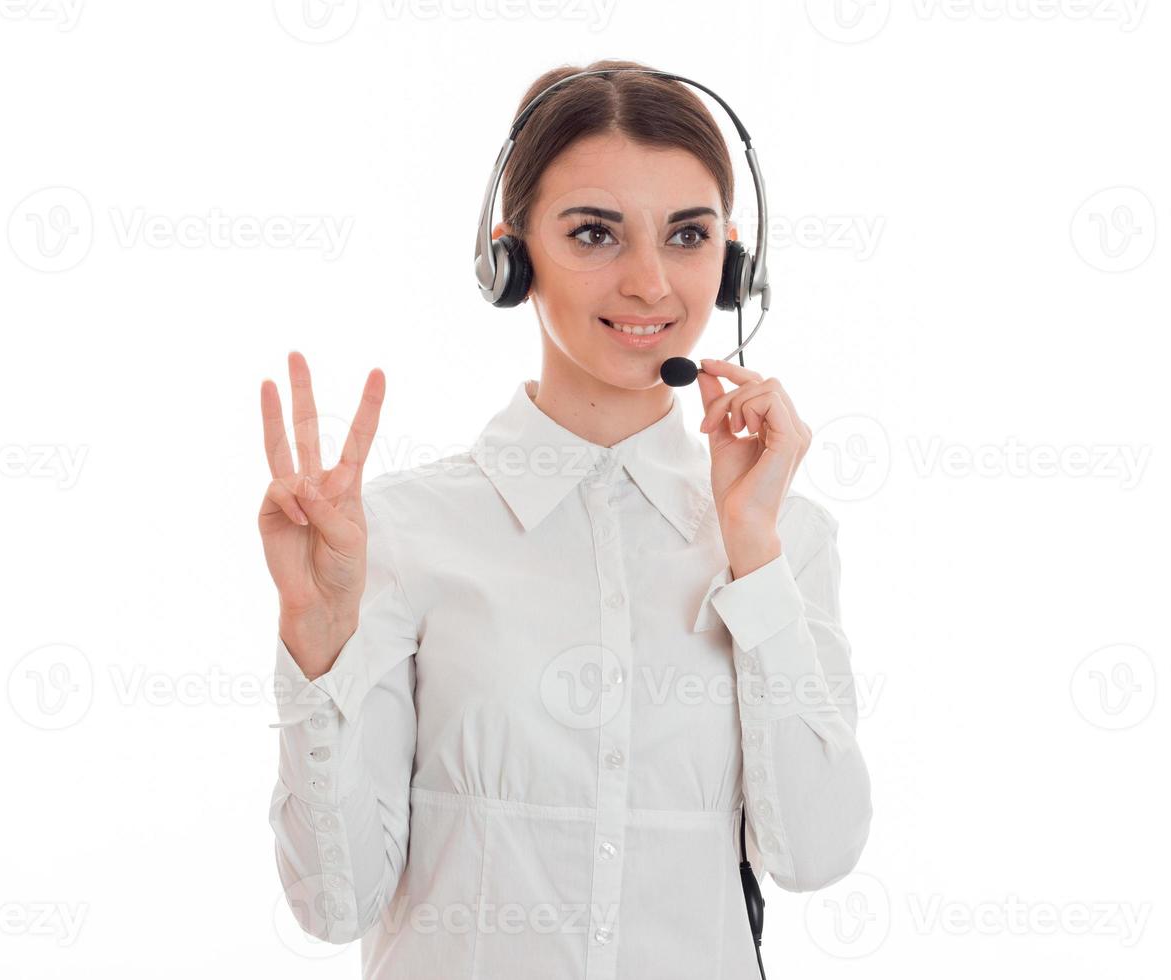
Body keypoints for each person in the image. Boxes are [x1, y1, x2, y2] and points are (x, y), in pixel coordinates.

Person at [257, 59, 873, 979]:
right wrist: (316, 639)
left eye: (688, 235)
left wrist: (754, 556)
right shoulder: (395, 535)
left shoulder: (786, 537)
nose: (651, 284)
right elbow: (334, 905)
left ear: (734, 260)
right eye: (595, 233)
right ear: (509, 258)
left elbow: (816, 856)